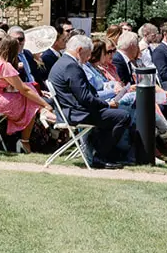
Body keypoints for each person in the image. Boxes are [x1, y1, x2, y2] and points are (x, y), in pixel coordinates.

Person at [48, 33, 140, 168]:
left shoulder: (63, 63)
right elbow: (85, 97)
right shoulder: (71, 66)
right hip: (76, 114)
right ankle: (101, 156)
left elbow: (85, 94)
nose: (89, 58)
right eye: (88, 54)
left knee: (115, 114)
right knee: (122, 116)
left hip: (72, 111)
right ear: (79, 50)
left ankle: (103, 151)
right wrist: (107, 103)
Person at [0, 35, 49, 152]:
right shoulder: (4, 65)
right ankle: (25, 141)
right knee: (30, 100)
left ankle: (24, 138)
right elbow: (23, 89)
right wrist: (45, 104)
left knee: (29, 94)